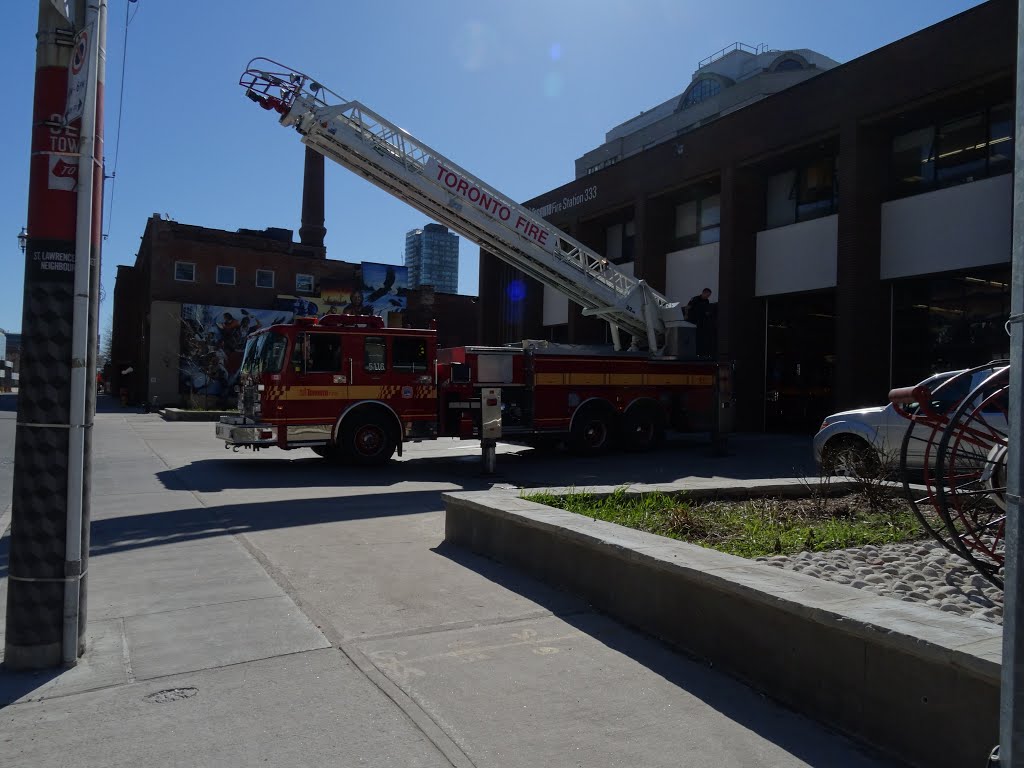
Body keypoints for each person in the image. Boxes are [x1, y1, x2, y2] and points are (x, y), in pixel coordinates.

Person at [687, 288, 713, 357]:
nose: (708, 297)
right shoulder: (695, 299)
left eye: (709, 296)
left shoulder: (707, 301)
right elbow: (688, 308)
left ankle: (701, 353)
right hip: (693, 321)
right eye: (707, 295)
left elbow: (706, 310)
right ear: (703, 293)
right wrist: (686, 316)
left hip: (701, 322)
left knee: (701, 338)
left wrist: (708, 313)